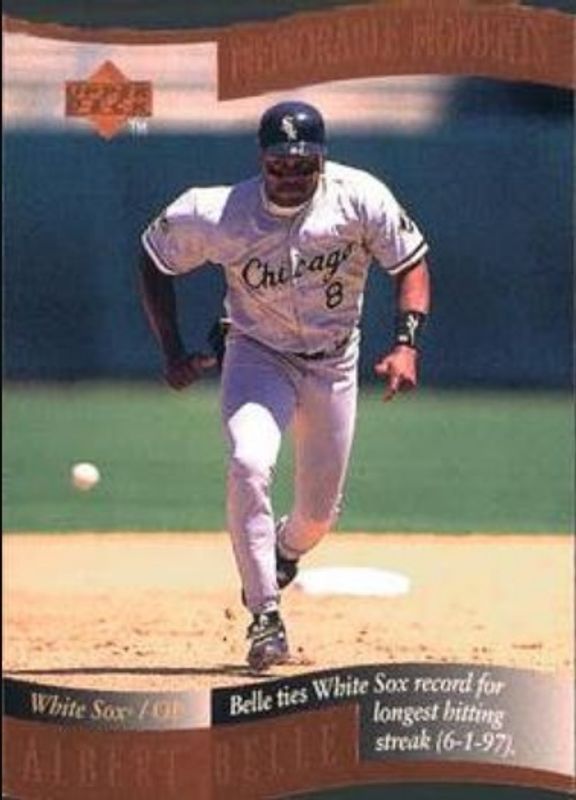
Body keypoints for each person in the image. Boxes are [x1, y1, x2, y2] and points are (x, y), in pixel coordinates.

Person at [138, 100, 431, 673]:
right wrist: (171, 350)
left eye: (304, 163)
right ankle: (265, 615)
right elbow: (153, 257)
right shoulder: (218, 212)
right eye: (280, 163)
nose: (291, 174)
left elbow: (411, 264)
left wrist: (406, 344)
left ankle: (283, 550)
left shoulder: (359, 196)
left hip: (334, 362)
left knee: (317, 517)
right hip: (258, 355)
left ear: (322, 158)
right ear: (261, 159)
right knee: (248, 462)